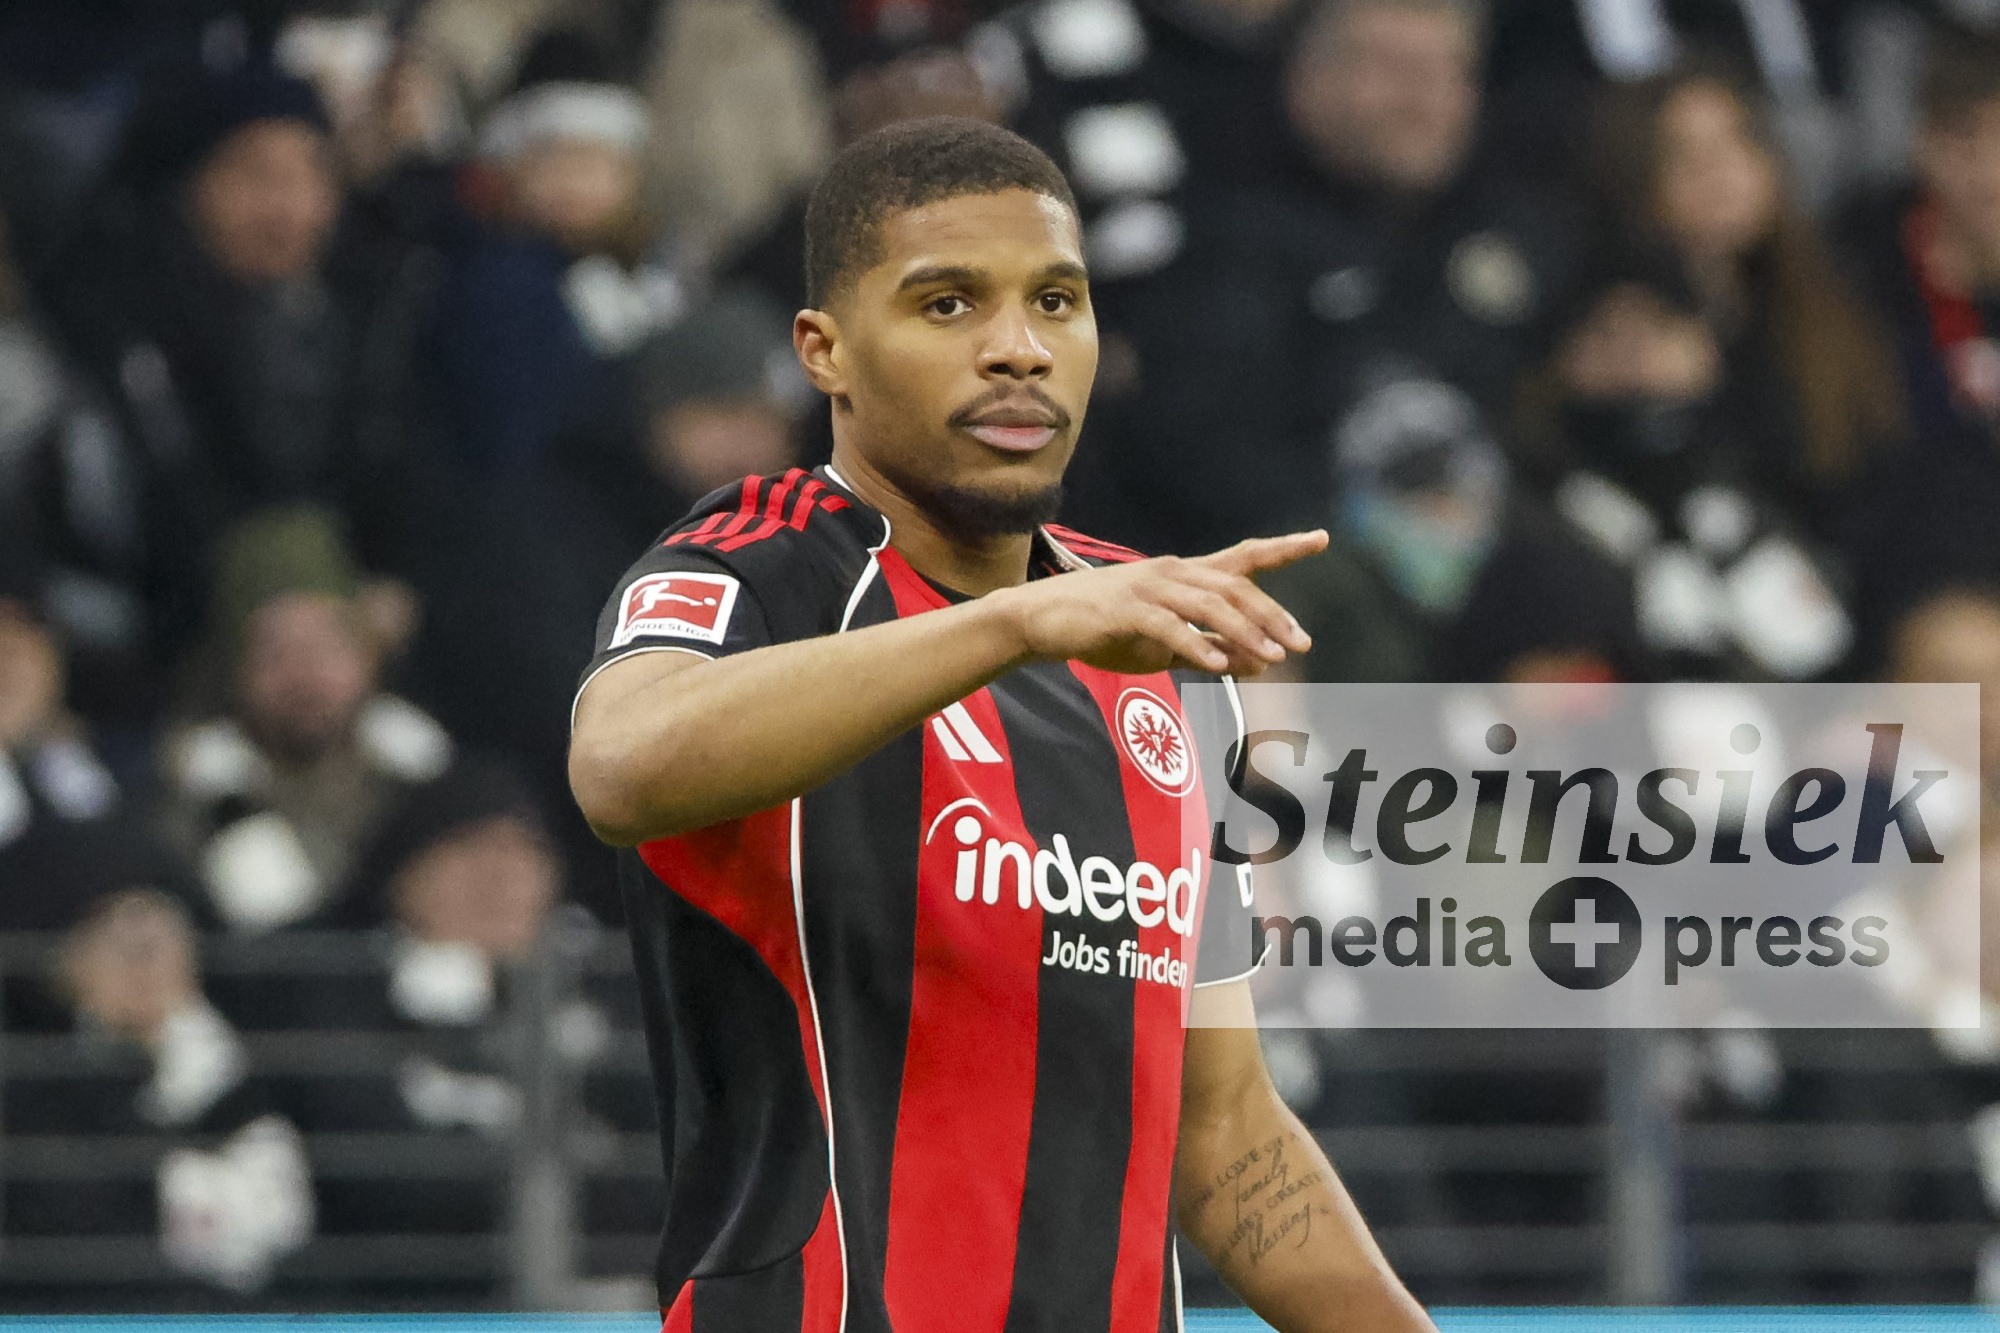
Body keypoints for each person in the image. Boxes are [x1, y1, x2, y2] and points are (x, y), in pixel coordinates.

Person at [568, 116, 1430, 1330]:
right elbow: (618, 766)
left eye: (1055, 302)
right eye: (947, 304)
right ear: (824, 351)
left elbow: (1223, 1129)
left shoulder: (1156, 645)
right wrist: (1010, 625)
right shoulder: (761, 567)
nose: (1018, 349)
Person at [1073, 0, 1584, 554]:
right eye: (1395, 70)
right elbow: (1198, 465)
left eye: (1450, 74)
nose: (1423, 103)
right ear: (1307, 78)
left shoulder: (1518, 234)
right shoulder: (1217, 239)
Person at [156, 507, 451, 937]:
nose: (306, 676)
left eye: (328, 647)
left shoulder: (423, 774)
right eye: (276, 652)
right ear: (235, 670)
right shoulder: (185, 788)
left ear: (368, 659)